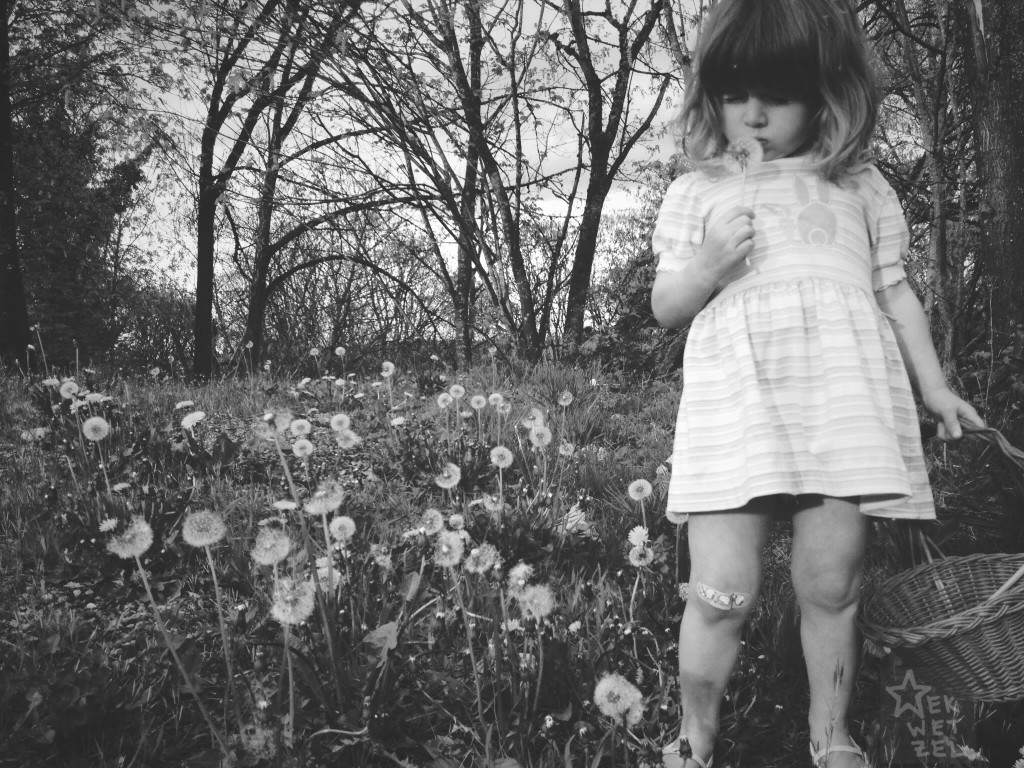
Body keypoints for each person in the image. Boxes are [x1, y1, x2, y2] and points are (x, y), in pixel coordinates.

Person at [649, 1, 983, 766]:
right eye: (735, 94)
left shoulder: (860, 188)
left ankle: (829, 736)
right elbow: (667, 307)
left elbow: (896, 295)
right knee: (720, 593)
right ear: (712, 96)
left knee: (831, 586)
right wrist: (706, 268)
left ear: (828, 93)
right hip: (739, 418)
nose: (755, 115)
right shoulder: (697, 192)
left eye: (780, 94)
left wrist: (933, 389)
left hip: (842, 417)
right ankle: (694, 737)